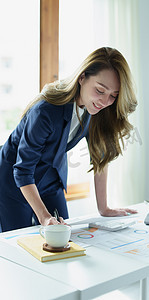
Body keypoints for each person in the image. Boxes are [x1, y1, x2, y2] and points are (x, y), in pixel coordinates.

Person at [0, 47, 138, 232]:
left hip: (51, 178)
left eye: (113, 96)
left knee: (63, 235)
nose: (105, 101)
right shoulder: (45, 111)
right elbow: (23, 170)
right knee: (22, 242)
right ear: (82, 77)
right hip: (14, 181)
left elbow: (100, 158)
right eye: (100, 90)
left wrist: (104, 208)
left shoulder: (96, 110)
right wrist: (45, 217)